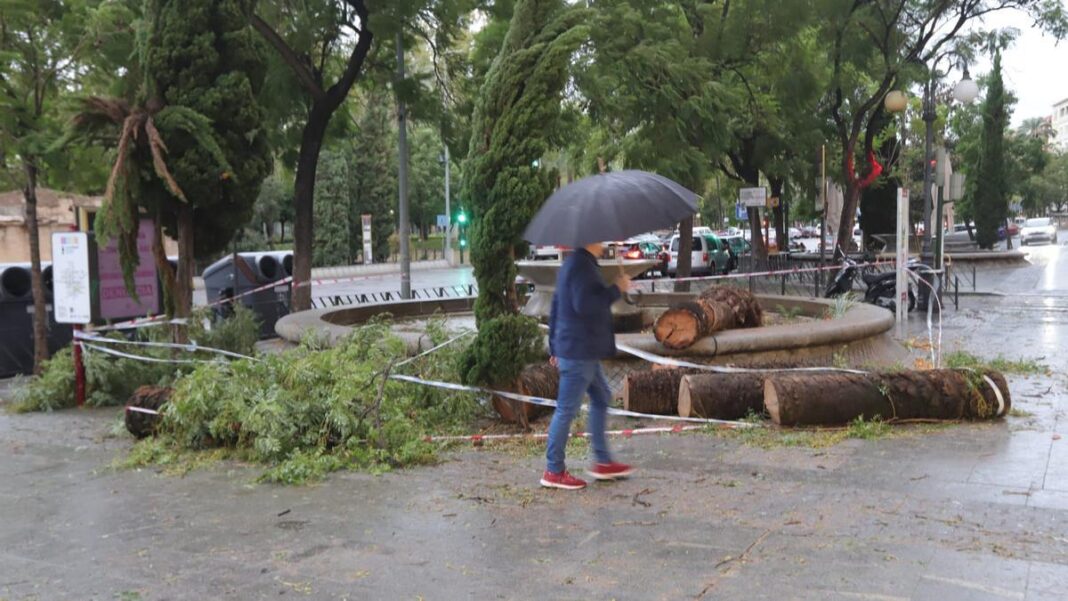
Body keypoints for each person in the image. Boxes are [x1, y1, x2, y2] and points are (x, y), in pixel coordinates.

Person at [542, 242, 634, 490]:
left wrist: (554, 345)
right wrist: (616, 288)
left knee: (602, 396)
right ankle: (554, 470)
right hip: (579, 350)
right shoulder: (582, 267)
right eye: (600, 238)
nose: (604, 243)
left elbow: (556, 307)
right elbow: (587, 306)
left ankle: (603, 462)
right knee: (566, 410)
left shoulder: (573, 264)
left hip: (580, 350)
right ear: (590, 239)